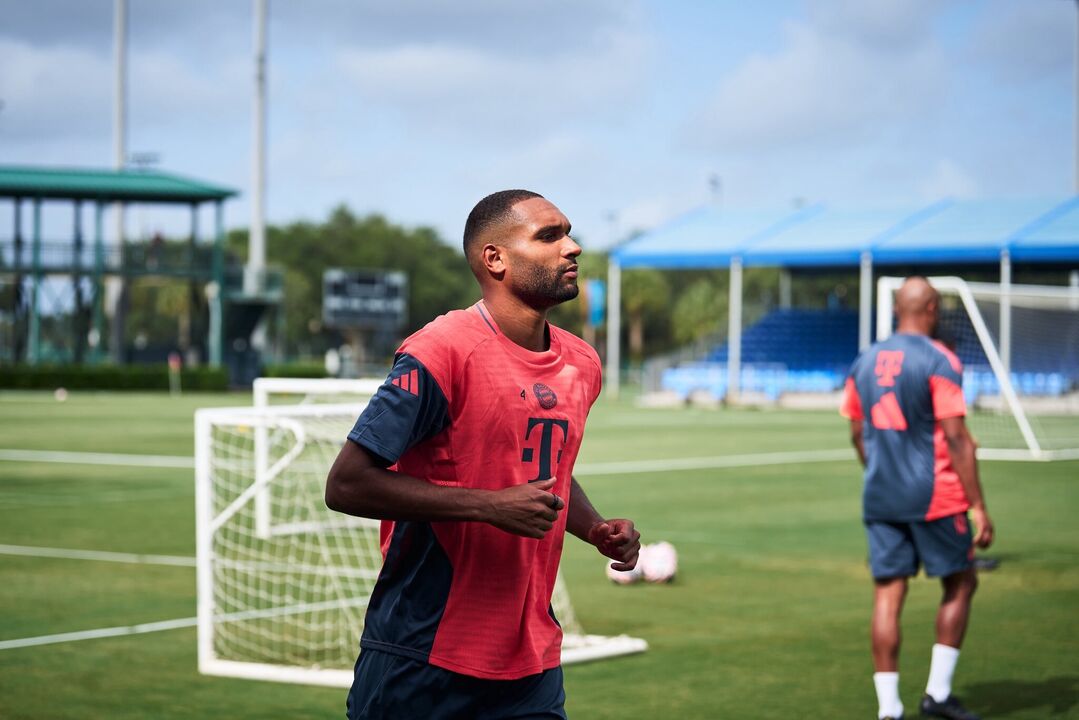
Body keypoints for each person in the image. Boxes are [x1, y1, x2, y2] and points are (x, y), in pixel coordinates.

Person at [325, 189, 641, 719]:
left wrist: (594, 528)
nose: (573, 247)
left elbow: (547, 470)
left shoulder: (582, 362)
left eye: (568, 232)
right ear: (494, 258)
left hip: (531, 664)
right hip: (424, 654)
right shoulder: (442, 350)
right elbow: (347, 484)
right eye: (549, 236)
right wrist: (488, 505)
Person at [841, 277, 994, 720]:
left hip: (881, 495)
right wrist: (978, 505)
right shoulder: (939, 359)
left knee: (888, 595)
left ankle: (889, 710)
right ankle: (938, 695)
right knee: (961, 581)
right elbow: (957, 437)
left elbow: (855, 431)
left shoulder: (865, 360)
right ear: (930, 308)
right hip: (936, 496)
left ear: (895, 309)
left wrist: (876, 471)